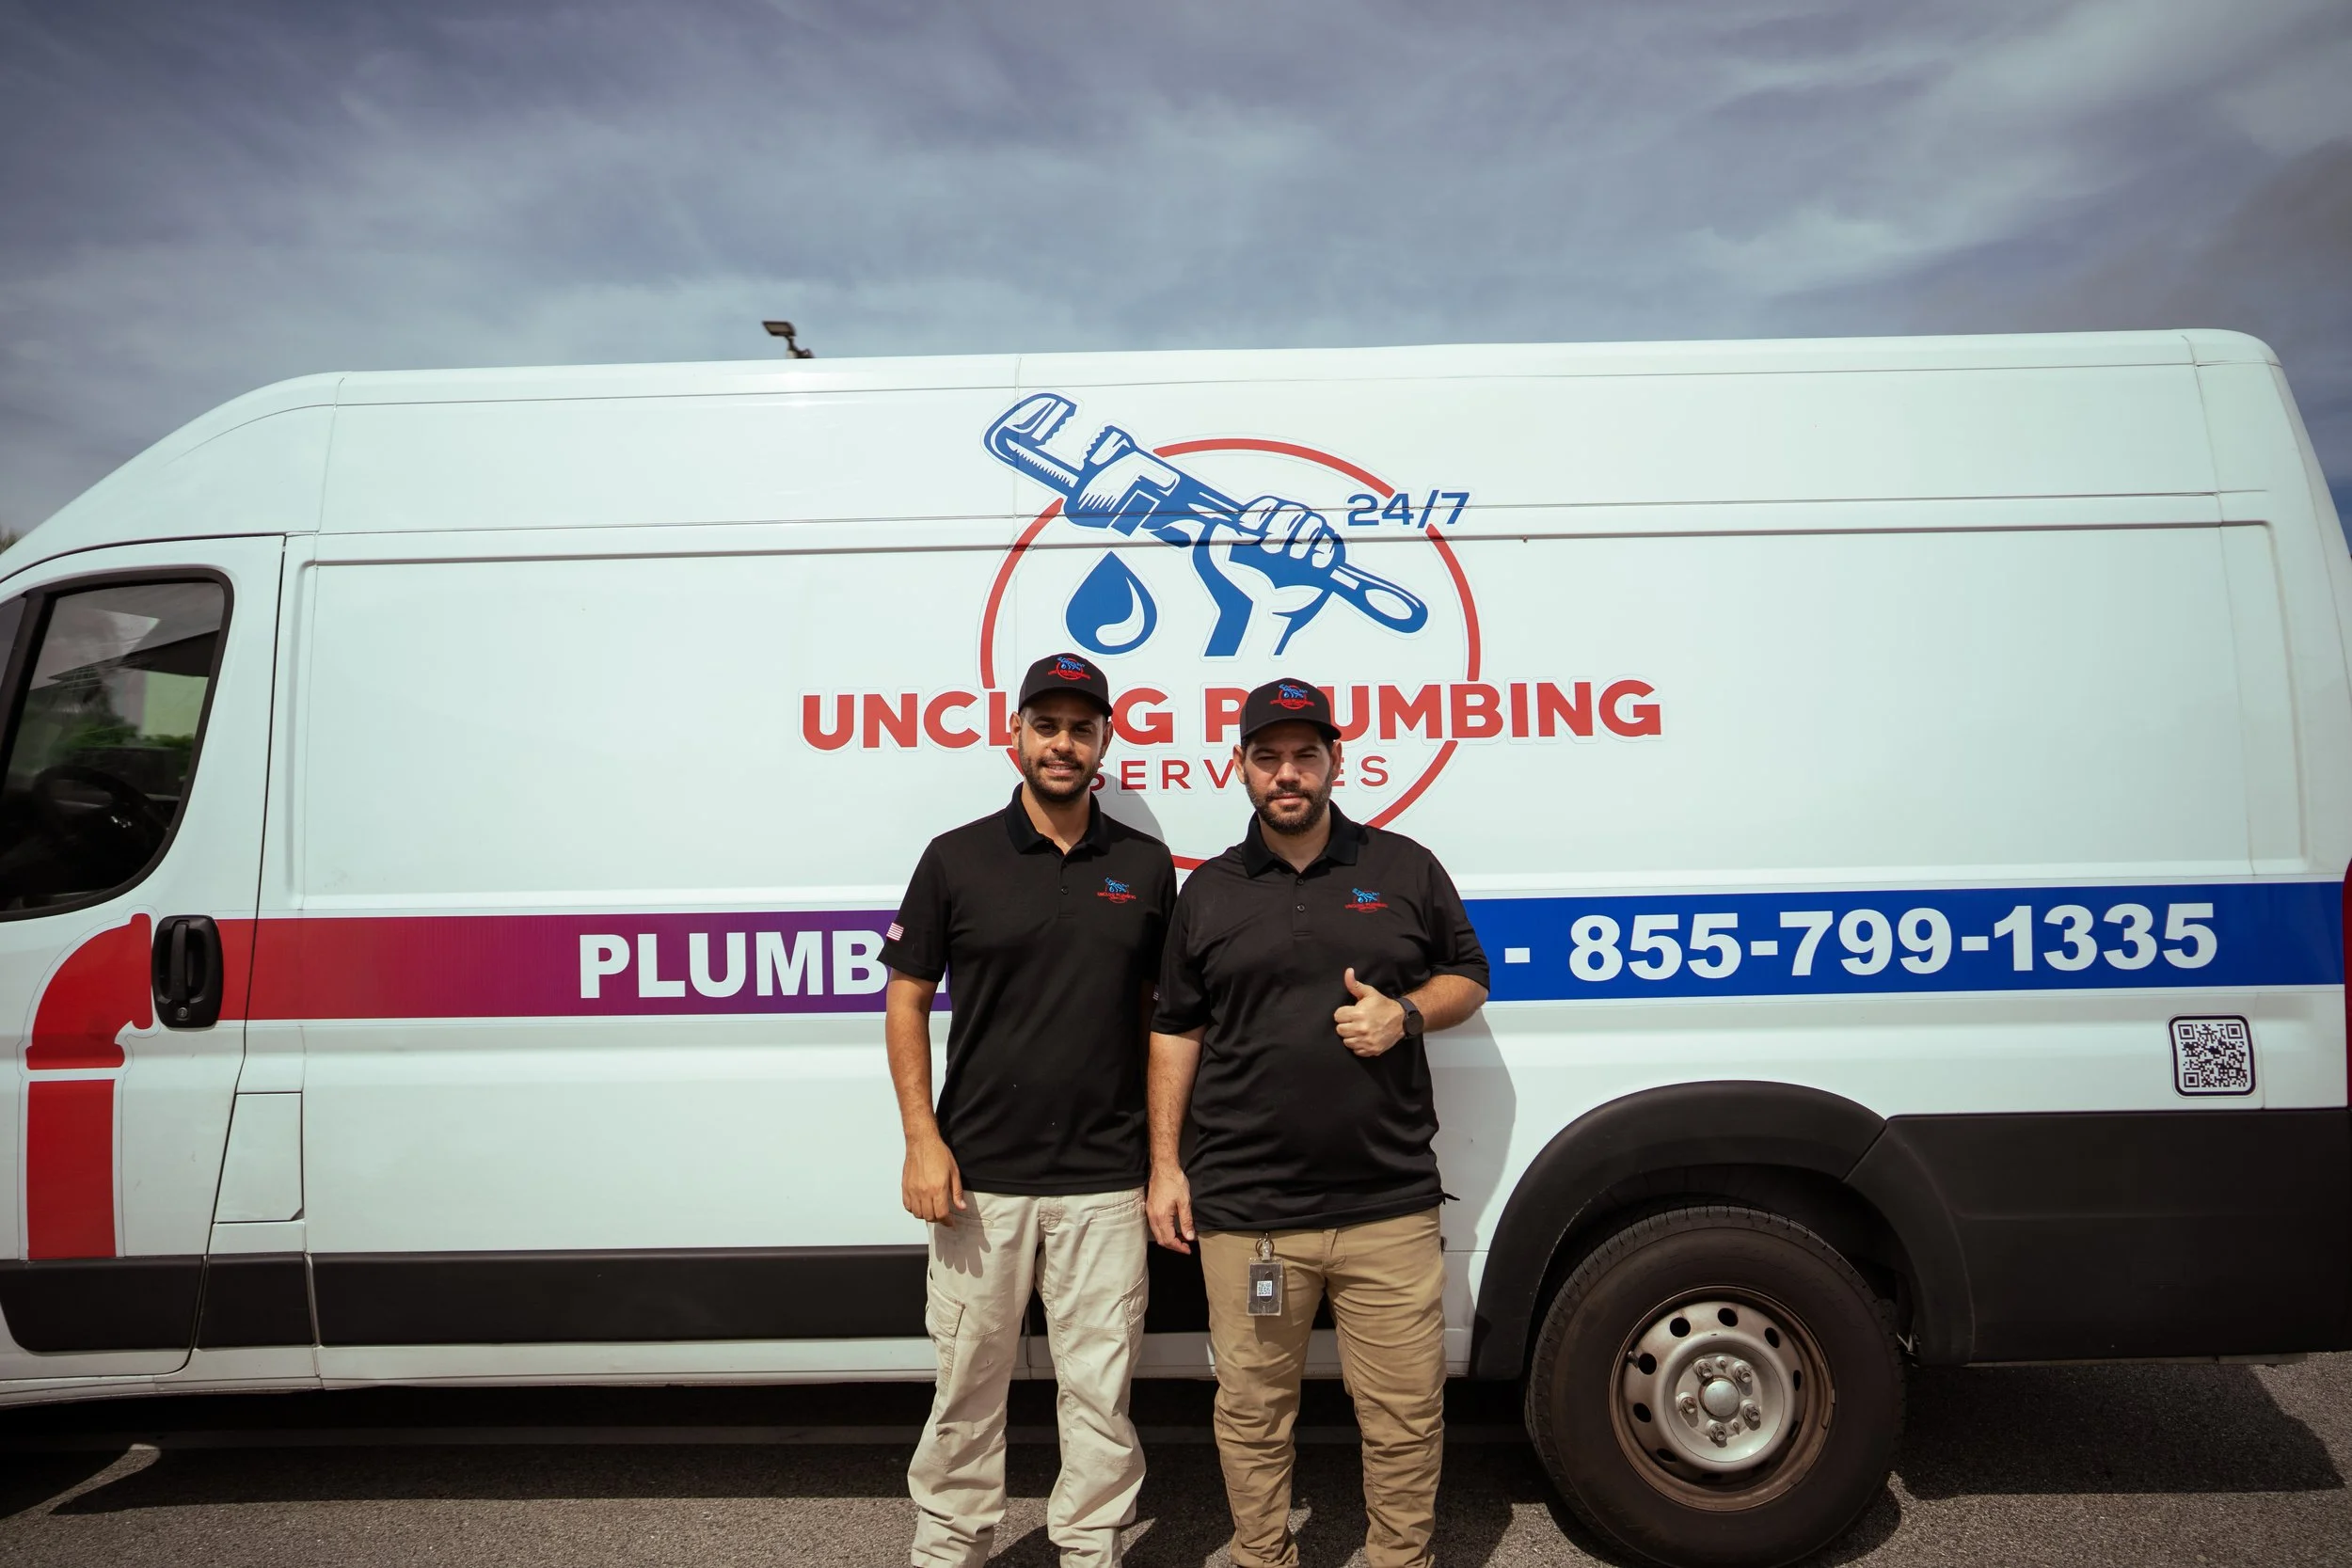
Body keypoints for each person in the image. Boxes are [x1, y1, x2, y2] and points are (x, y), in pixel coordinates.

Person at [1145, 676, 1490, 1568]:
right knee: (1254, 1415)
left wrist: (1404, 1015)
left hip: (1388, 1205)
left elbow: (1469, 976)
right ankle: (1265, 1555)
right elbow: (1176, 1030)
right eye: (1269, 756)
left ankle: (1397, 1560)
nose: (1287, 773)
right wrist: (1166, 1166)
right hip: (1250, 1212)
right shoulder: (1209, 892)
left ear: (1336, 761)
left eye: (1305, 754)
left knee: (1406, 1415)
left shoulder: (1403, 867)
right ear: (1242, 768)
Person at [883, 651, 1177, 1568]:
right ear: (1013, 735)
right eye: (1045, 725)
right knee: (967, 1385)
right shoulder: (955, 857)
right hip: (981, 1179)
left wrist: (1166, 1155)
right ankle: (950, 1547)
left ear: (1104, 741)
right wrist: (922, 1138)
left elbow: (1161, 1017)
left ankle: (1089, 1547)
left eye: (1080, 727)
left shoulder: (1142, 864)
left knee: (1099, 1391)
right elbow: (905, 996)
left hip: (1104, 1178)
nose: (1062, 743)